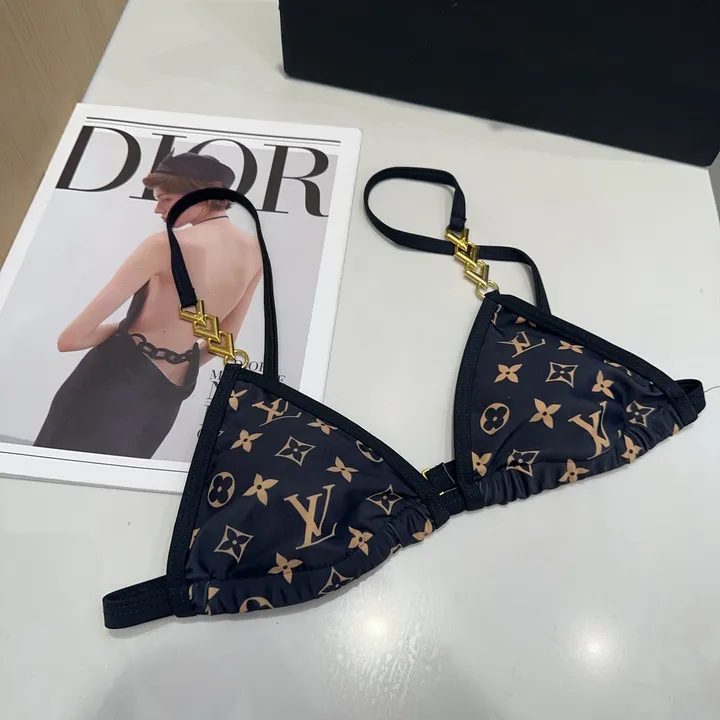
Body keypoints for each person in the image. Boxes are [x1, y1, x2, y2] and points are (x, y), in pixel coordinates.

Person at [34, 151, 263, 459]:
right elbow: (224, 342)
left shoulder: (164, 245)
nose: (158, 209)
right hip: (168, 397)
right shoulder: (256, 253)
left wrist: (126, 330)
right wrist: (178, 356)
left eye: (166, 199)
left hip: (107, 384)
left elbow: (70, 340)